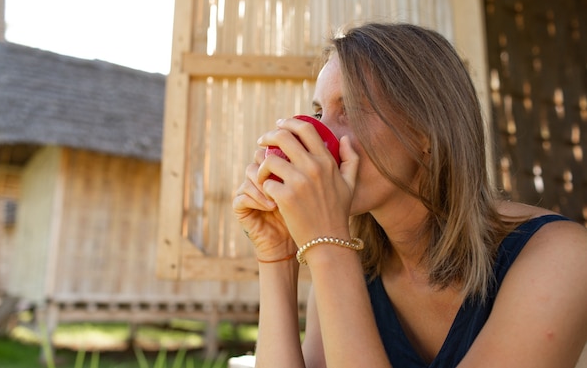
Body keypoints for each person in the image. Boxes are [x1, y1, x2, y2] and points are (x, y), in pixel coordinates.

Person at [232, 22, 587, 368]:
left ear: (427, 132)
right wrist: (277, 256)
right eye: (318, 113)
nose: (319, 133)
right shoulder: (347, 260)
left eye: (351, 109)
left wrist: (328, 250)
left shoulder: (562, 257)